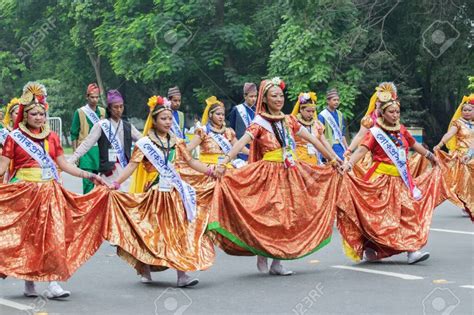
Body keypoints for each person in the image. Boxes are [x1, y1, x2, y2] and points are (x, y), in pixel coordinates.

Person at [210, 77, 340, 276]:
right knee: (270, 215)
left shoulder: (289, 120)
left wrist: (332, 158)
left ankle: (277, 261)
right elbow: (242, 141)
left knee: (287, 215)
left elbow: (313, 139)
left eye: (280, 95)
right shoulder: (259, 123)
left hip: (290, 171)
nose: (279, 99)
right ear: (265, 99)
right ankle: (264, 250)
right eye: (274, 96)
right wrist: (225, 160)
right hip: (268, 173)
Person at [0, 82, 108, 299]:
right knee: (29, 238)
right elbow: (2, 167)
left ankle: (54, 283)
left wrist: (90, 175)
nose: (39, 117)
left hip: (50, 193)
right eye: (34, 114)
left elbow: (65, 165)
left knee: (55, 236)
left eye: (42, 113)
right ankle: (29, 282)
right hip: (25, 194)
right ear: (25, 115)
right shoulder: (14, 138)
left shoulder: (52, 138)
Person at [107, 95, 216, 287]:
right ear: (154, 121)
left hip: (174, 194)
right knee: (150, 233)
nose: (168, 122)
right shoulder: (144, 144)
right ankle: (144, 267)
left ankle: (182, 275)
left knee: (179, 232)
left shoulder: (177, 142)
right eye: (163, 118)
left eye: (169, 118)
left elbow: (190, 162)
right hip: (154, 195)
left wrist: (209, 171)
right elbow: (132, 166)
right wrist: (116, 183)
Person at [339, 96, 447, 264]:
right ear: (383, 113)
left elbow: (414, 145)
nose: (395, 115)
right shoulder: (375, 132)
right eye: (391, 112)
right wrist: (349, 164)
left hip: (401, 180)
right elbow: (361, 150)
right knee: (377, 216)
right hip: (380, 180)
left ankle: (412, 250)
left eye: (397, 111)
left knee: (408, 213)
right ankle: (371, 247)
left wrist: (431, 156)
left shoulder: (402, 130)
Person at [69, 90, 141, 191]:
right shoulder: (101, 125)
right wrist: (71, 160)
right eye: (115, 107)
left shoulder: (128, 127)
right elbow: (86, 144)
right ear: (110, 108)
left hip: (125, 174)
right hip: (108, 174)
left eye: (121, 106)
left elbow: (143, 141)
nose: (119, 110)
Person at [434, 94, 473, 220]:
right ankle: (465, 205)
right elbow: (449, 134)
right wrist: (440, 145)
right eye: (464, 110)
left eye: (469, 110)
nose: (466, 112)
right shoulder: (458, 123)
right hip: (463, 156)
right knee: (466, 182)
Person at [187, 96, 248, 168]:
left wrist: (253, 153)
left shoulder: (228, 132)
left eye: (223, 115)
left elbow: (240, 146)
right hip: (208, 168)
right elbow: (189, 148)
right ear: (210, 114)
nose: (221, 117)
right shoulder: (203, 131)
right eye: (218, 114)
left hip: (225, 167)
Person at [70, 83, 106, 194]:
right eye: (92, 97)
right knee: (87, 183)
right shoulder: (80, 112)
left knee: (101, 182)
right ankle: (88, 206)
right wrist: (76, 154)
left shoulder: (103, 112)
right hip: (85, 152)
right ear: (87, 97)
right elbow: (74, 134)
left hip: (99, 151)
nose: (95, 100)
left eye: (97, 97)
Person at [291, 91, 334, 164]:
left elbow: (324, 142)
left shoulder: (317, 124)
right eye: (308, 111)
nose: (311, 114)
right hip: (299, 161)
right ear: (301, 110)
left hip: (315, 160)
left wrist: (334, 156)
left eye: (313, 111)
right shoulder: (294, 123)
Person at [228, 82, 258, 160]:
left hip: (255, 148)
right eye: (251, 96)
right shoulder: (237, 110)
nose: (254, 99)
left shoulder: (258, 111)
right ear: (245, 96)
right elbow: (232, 130)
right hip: (241, 149)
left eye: (255, 96)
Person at [318, 88, 349, 160]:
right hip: (329, 145)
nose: (336, 102)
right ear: (328, 101)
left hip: (340, 144)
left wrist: (347, 148)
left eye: (338, 100)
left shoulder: (340, 114)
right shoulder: (322, 115)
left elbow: (342, 133)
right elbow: (320, 135)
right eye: (334, 100)